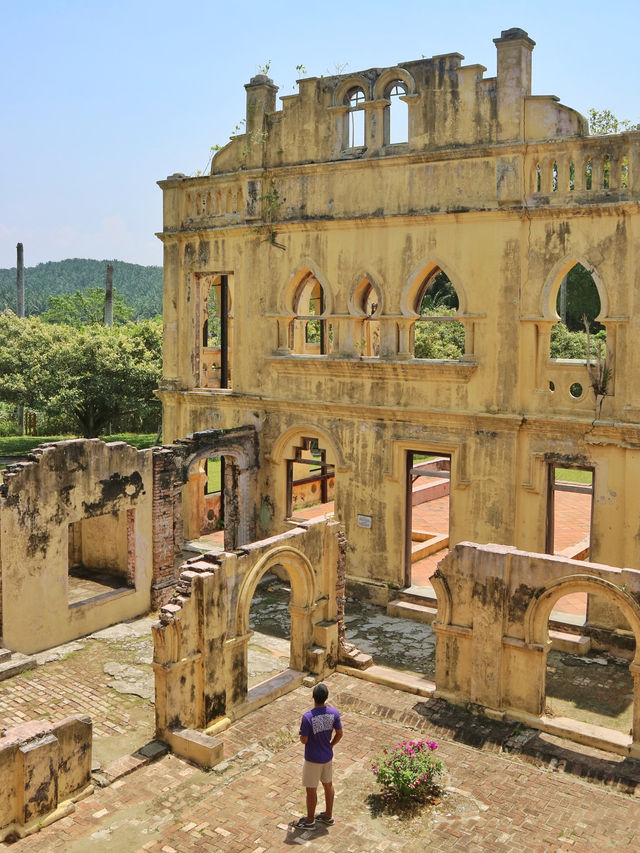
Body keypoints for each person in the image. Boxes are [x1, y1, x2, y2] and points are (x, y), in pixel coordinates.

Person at [296, 682, 343, 830]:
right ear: (326, 697)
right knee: (328, 785)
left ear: (313, 697)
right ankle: (328, 815)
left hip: (312, 759)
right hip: (327, 756)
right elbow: (339, 734)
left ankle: (310, 821)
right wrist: (331, 744)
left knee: (311, 789)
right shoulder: (334, 713)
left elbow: (304, 740)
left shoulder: (308, 717)